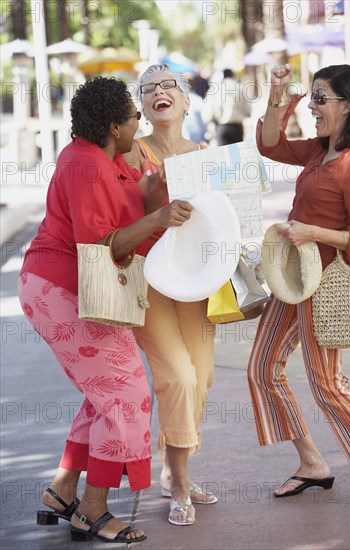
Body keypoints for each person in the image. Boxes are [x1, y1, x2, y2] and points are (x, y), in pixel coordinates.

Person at [18, 76, 192, 543]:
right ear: (115, 126)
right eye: (135, 116)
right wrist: (155, 215)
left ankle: (63, 491)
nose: (141, 120)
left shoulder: (107, 159)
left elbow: (140, 210)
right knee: (127, 392)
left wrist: (154, 197)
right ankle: (92, 510)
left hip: (77, 291)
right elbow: (96, 244)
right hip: (60, 290)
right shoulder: (85, 164)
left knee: (107, 392)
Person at [247, 64, 350, 497]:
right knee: (262, 369)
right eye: (311, 97)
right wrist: (277, 94)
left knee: (328, 385)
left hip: (325, 284)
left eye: (320, 98)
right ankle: (312, 463)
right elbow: (269, 144)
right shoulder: (319, 151)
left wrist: (312, 232)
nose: (313, 107)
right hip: (291, 278)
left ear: (347, 105)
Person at [124, 64, 218, 526]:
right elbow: (120, 219)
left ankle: (172, 468)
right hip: (149, 278)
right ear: (142, 105)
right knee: (178, 376)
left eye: (170, 86)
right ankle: (179, 484)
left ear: (185, 100)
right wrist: (152, 195)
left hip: (197, 279)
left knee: (201, 377)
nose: (160, 92)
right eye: (149, 88)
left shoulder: (204, 155)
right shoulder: (129, 155)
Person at [203, 68, 251, 145]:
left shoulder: (216, 89)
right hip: (237, 128)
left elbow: (208, 112)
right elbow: (248, 109)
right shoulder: (240, 88)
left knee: (224, 155)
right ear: (233, 76)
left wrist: (210, 123)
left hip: (222, 128)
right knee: (237, 155)